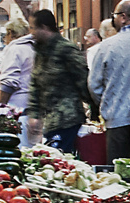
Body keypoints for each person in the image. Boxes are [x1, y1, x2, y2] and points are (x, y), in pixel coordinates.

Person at [88, 0, 130, 162]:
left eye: (115, 16)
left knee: (117, 171)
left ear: (123, 17)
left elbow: (94, 84)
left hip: (116, 116)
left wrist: (106, 102)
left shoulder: (107, 46)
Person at [26, 8, 91, 154]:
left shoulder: (66, 49)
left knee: (61, 160)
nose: (32, 33)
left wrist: (94, 108)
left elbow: (83, 81)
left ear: (44, 27)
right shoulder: (41, 52)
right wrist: (34, 115)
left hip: (67, 119)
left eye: (33, 28)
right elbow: (35, 85)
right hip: (50, 121)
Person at [0, 18, 37, 146]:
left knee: (21, 149)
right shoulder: (33, 48)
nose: (5, 38)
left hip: (19, 109)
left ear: (11, 33)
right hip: (35, 107)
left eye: (6, 34)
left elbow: (9, 82)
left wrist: (1, 108)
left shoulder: (15, 49)